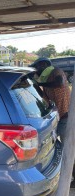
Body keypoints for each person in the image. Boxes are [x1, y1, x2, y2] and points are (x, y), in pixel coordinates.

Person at [30, 57, 74, 187]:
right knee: (59, 148)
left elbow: (59, 83)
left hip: (66, 117)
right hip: (57, 118)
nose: (37, 70)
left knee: (69, 150)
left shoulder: (56, 72)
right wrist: (35, 85)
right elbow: (43, 98)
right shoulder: (46, 81)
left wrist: (40, 84)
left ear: (44, 65)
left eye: (38, 67)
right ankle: (66, 174)